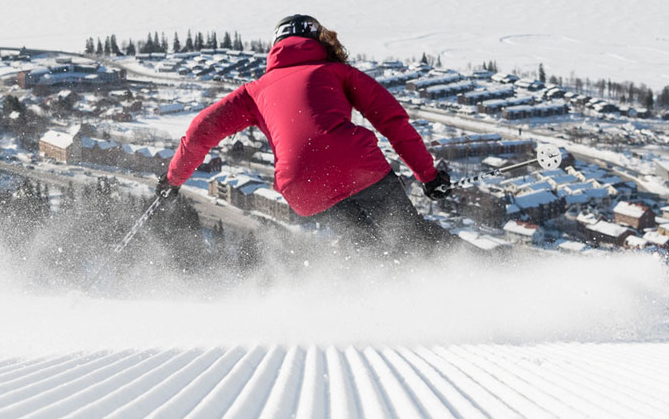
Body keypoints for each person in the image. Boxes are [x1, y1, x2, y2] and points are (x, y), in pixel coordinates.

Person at [159, 14, 458, 256]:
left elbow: (201, 130)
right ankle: (490, 270)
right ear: (319, 41)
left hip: (304, 186)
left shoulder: (254, 92)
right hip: (357, 166)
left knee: (368, 251)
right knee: (413, 238)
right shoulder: (337, 72)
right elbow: (392, 121)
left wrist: (172, 181)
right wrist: (429, 177)